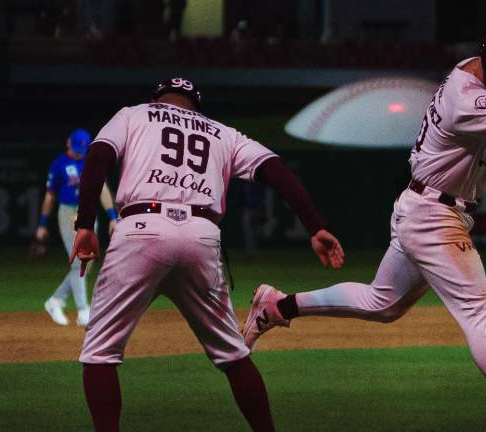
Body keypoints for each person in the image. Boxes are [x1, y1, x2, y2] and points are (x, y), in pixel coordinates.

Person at [242, 19, 486, 432]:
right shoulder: (466, 100)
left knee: (384, 304)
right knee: (478, 311)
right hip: (434, 216)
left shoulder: (474, 68)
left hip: (423, 206)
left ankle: (276, 306)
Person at [69, 77, 344, 432]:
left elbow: (99, 155)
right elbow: (276, 170)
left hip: (141, 228)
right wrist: (314, 224)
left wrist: (85, 223)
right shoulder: (222, 133)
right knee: (233, 356)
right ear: (195, 105)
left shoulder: (134, 115)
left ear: (158, 98)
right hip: (201, 234)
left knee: (100, 354)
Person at [35, 128, 118, 327]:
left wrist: (113, 217)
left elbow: (103, 190)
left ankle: (55, 301)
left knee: (86, 264)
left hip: (88, 214)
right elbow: (49, 196)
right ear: (68, 143)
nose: (78, 152)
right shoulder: (59, 164)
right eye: (76, 148)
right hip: (68, 213)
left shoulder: (92, 163)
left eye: (82, 149)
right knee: (80, 260)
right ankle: (83, 311)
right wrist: (42, 224)